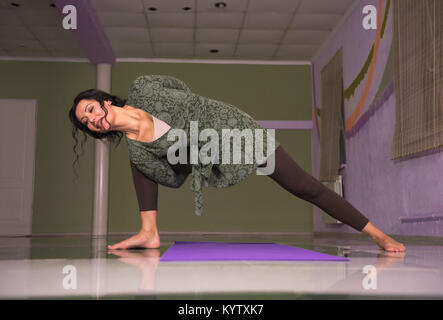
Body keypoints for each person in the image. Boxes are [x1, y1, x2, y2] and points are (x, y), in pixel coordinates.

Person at [69, 75, 405, 253]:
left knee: (304, 185)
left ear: (104, 101)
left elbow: (181, 88)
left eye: (91, 109)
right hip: (206, 155)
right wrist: (184, 150)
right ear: (94, 130)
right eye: (87, 122)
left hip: (235, 128)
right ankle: (148, 232)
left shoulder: (143, 87)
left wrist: (194, 115)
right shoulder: (139, 153)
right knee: (140, 160)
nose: (92, 118)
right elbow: (173, 179)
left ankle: (378, 236)